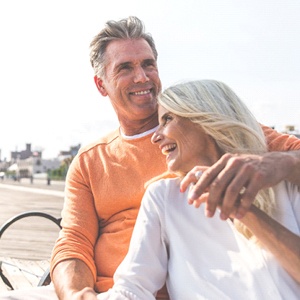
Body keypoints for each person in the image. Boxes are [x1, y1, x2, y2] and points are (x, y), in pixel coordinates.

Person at [1, 16, 300, 300]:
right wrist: (77, 294)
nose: (142, 77)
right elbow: (73, 242)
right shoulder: (91, 160)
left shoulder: (204, 128)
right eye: (125, 68)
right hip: (112, 290)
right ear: (101, 84)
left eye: (148, 64)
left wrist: (281, 162)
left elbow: (269, 148)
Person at [99, 80, 300, 299]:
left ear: (205, 118)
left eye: (167, 119)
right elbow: (133, 288)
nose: (155, 137)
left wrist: (246, 211)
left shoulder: (283, 185)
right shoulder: (164, 198)